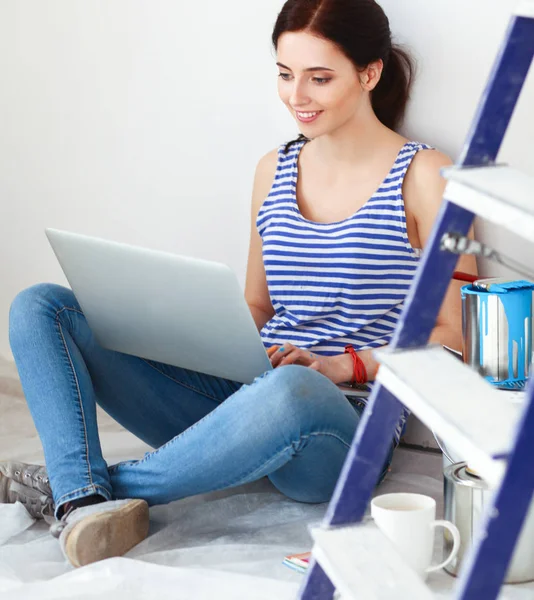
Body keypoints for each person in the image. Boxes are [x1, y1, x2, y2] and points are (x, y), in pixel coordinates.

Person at [1, 0, 476, 568]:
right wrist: (177, 332)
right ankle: (83, 500)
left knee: (292, 391)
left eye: (319, 78)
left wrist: (340, 366)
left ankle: (73, 486)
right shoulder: (271, 170)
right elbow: (257, 306)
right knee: (41, 307)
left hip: (337, 421)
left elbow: (458, 338)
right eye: (284, 73)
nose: (296, 96)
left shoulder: (428, 177)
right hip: (244, 393)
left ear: (368, 73)